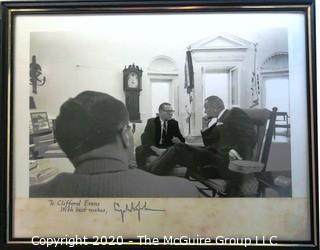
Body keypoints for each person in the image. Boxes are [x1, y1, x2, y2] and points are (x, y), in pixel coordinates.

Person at [30, 91, 200, 197]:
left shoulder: (32, 198)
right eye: (168, 111)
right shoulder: (183, 192)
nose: (171, 113)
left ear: (63, 143)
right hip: (155, 152)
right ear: (126, 135)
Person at [147, 96, 257, 185]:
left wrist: (236, 151)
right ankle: (151, 170)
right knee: (179, 147)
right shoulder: (218, 121)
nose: (204, 111)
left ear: (214, 107)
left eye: (206, 107)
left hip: (224, 163)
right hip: (213, 157)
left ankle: (151, 174)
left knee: (179, 147)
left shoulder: (234, 113)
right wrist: (205, 126)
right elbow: (209, 143)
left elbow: (249, 134)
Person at [135, 102, 185, 168]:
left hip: (168, 149)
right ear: (160, 112)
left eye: (172, 111)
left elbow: (182, 140)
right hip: (154, 148)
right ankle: (142, 171)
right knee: (139, 149)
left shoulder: (174, 123)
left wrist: (179, 140)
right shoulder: (151, 122)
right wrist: (156, 150)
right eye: (168, 111)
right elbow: (144, 139)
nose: (171, 113)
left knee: (184, 150)